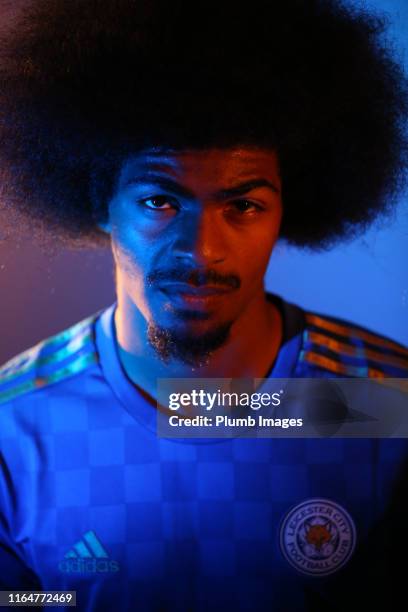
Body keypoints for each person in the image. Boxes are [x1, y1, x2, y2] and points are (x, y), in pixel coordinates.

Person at [0, 0, 407, 610]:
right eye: (160, 201)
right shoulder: (13, 426)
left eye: (242, 205)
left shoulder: (387, 404)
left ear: (288, 212)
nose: (202, 250)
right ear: (98, 202)